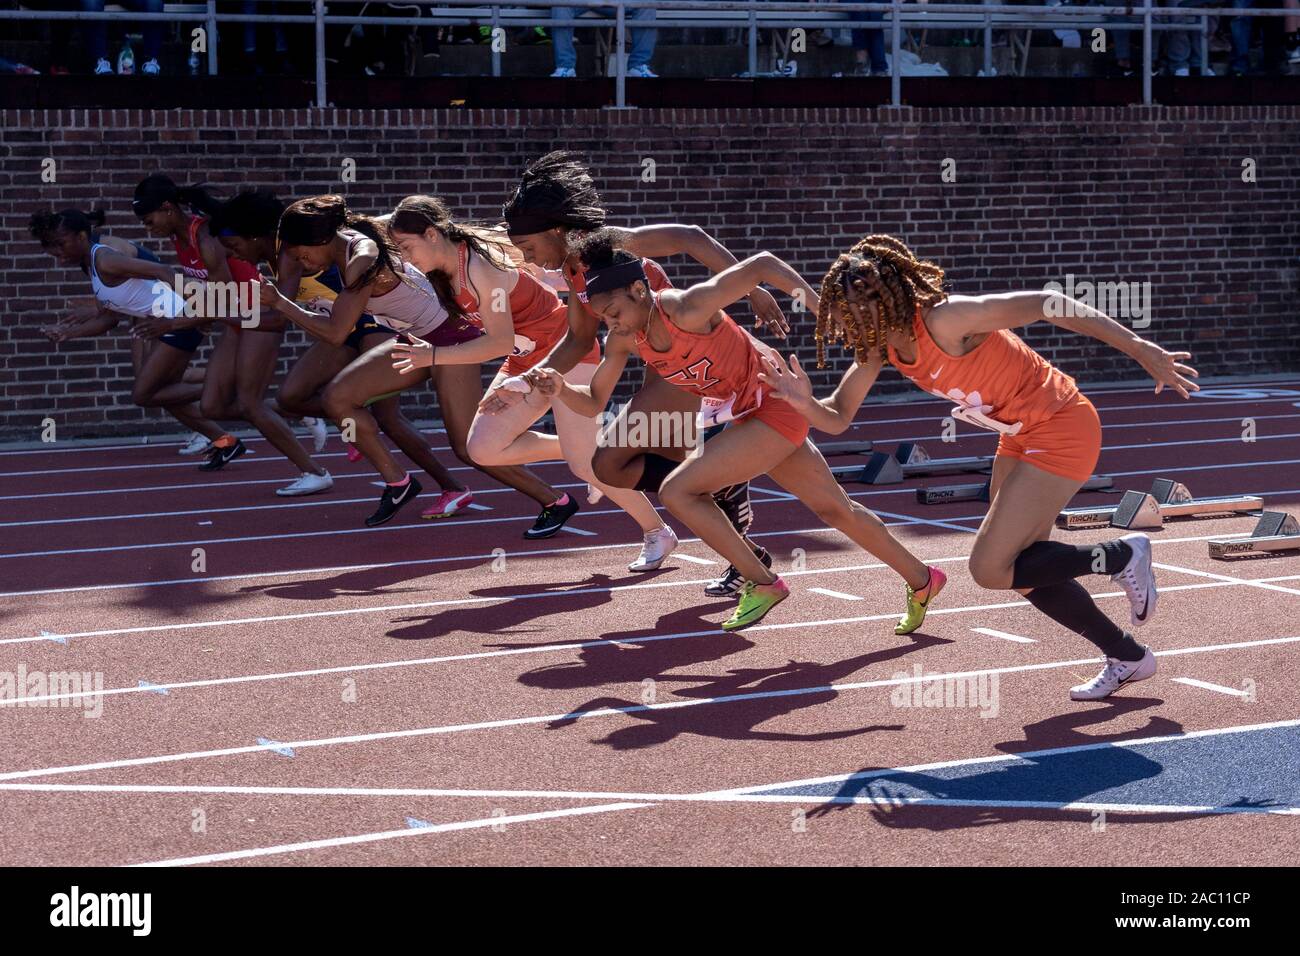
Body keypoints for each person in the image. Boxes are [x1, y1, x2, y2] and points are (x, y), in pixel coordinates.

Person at [764, 234, 1199, 699]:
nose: (842, 319)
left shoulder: (948, 319)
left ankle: (1122, 554)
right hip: (1017, 438)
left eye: (850, 308)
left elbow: (1048, 302)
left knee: (990, 568)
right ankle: (1127, 655)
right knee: (1024, 569)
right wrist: (802, 402)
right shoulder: (880, 349)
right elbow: (837, 417)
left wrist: (1140, 349)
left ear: (882, 302)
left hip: (1062, 426)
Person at [528, 230, 946, 633]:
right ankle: (922, 577)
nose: (611, 325)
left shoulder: (687, 308)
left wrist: (823, 311)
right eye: (603, 318)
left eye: (615, 314)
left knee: (678, 491)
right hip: (747, 413)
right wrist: (561, 388)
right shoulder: (627, 340)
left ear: (639, 291)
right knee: (835, 509)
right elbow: (595, 401)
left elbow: (761, 264)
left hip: (776, 402)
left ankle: (762, 582)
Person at [499, 150, 788, 595]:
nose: (532, 260)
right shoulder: (574, 273)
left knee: (622, 464)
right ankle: (729, 504)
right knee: (615, 467)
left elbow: (690, 236)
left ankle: (739, 535)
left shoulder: (608, 243)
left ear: (556, 231)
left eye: (531, 248)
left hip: (686, 360)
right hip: (659, 364)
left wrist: (750, 289)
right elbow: (577, 340)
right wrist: (521, 382)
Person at [387, 196, 676, 569]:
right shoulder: (445, 265)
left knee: (586, 467)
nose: (406, 257)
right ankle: (585, 449)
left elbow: (498, 341)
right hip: (524, 358)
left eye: (407, 247)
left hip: (564, 350)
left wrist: (434, 356)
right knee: (483, 449)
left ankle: (657, 532)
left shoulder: (478, 267)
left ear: (431, 234)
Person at [210, 190, 507, 525]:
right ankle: (355, 423)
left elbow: (278, 318)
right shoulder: (295, 249)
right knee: (292, 396)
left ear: (255, 236)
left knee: (388, 417)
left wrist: (221, 315)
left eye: (236, 249)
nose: (239, 258)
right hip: (341, 326)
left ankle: (444, 484)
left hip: (368, 324)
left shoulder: (293, 253)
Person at [130, 176, 334, 495]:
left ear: (168, 209)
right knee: (212, 405)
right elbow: (214, 295)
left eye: (149, 219)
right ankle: (294, 410)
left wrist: (176, 323)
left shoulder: (207, 240)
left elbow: (222, 299)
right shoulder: (179, 239)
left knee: (250, 403)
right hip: (237, 318)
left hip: (256, 314)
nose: (147, 227)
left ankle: (316, 471)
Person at [29, 207, 230, 452]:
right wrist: (68, 332)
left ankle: (225, 388)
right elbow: (109, 319)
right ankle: (225, 441)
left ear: (82, 236)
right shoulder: (90, 264)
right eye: (53, 251)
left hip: (176, 319)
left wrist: (196, 306)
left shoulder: (106, 258)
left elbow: (162, 270)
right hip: (156, 322)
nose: (59, 255)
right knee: (163, 392)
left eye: (61, 246)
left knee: (146, 394)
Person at [550, 5, 657, 78]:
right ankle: (565, 66)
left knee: (646, 4)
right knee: (560, 4)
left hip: (616, 3)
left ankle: (638, 65)